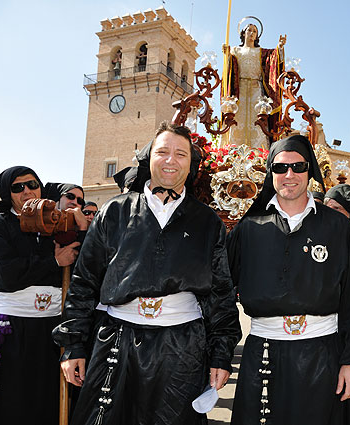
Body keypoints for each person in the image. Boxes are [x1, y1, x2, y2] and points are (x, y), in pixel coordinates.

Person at [53, 122, 241, 425]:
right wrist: (73, 344)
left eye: (181, 154)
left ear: (191, 165)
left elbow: (221, 293)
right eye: (163, 152)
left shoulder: (207, 222)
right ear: (148, 157)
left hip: (183, 348)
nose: (171, 160)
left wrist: (221, 354)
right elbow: (84, 282)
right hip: (116, 339)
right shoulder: (113, 211)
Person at [227, 134, 350, 425]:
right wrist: (220, 354)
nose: (289, 175)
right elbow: (219, 291)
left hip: (323, 354)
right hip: (263, 352)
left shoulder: (337, 227)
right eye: (281, 168)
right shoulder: (249, 227)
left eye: (298, 167)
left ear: (310, 172)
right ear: (270, 172)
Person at [0, 166, 81, 424]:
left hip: (51, 327)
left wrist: (81, 230)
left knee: (49, 399)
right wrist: (52, 263)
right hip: (15, 329)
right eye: (18, 187)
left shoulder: (55, 223)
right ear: (7, 194)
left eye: (32, 184)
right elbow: (6, 277)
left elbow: (79, 264)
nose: (27, 191)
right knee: (14, 400)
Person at [223, 20, 285, 148]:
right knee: (237, 120)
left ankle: (258, 153)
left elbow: (274, 58)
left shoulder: (261, 52)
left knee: (257, 120)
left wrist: (279, 47)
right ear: (243, 33)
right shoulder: (235, 50)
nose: (251, 33)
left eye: (254, 31)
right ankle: (233, 151)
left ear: (257, 36)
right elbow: (229, 69)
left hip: (256, 90)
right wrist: (227, 55)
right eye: (249, 30)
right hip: (239, 91)